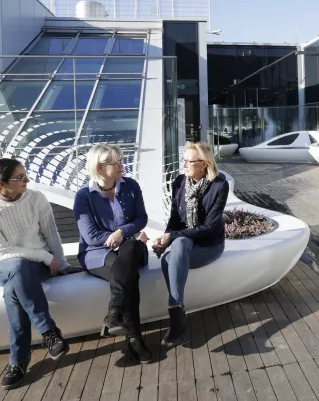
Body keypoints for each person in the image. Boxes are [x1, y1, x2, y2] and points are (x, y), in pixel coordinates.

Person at [73, 144, 151, 364]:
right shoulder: (84, 196)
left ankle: (114, 311)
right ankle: (135, 338)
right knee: (129, 276)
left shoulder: (131, 186)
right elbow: (90, 236)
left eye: (120, 160)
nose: (121, 165)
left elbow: (141, 218)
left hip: (130, 248)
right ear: (99, 167)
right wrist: (125, 236)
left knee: (131, 249)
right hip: (97, 253)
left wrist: (121, 232)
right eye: (115, 162)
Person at [0, 159, 70, 390]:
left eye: (25, 174)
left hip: (34, 266)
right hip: (7, 263)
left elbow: (51, 233)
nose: (27, 180)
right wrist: (43, 257)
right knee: (17, 267)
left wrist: (61, 263)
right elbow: (4, 252)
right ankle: (48, 331)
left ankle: (18, 362)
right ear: (1, 184)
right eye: (19, 177)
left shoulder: (36, 198)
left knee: (13, 290)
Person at [153, 142, 228, 348]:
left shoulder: (219, 185)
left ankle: (177, 320)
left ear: (204, 164)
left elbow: (209, 227)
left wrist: (173, 237)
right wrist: (165, 237)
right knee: (174, 250)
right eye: (183, 160)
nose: (183, 165)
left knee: (172, 254)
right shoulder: (179, 182)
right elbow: (175, 218)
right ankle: (178, 319)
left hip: (209, 245)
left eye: (189, 161)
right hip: (186, 243)